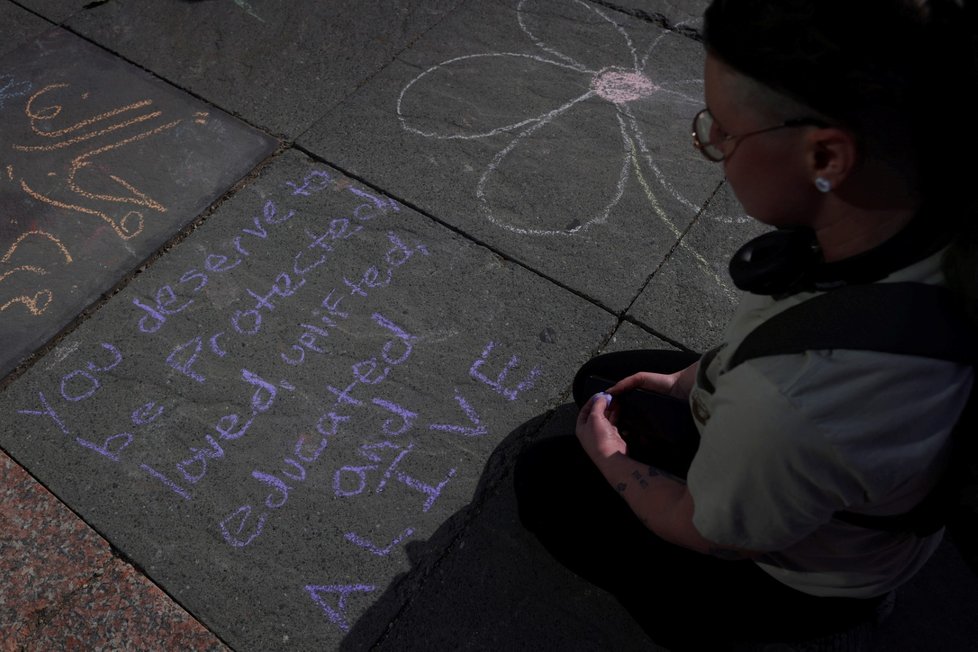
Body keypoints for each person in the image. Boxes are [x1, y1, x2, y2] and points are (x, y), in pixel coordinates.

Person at [513, 0, 978, 649]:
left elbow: (714, 533)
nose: (713, 146)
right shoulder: (937, 226)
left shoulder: (795, 400)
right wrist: (688, 379)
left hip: (804, 583)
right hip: (864, 499)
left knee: (549, 481)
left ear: (826, 157)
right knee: (607, 381)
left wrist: (614, 463)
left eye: (723, 133)